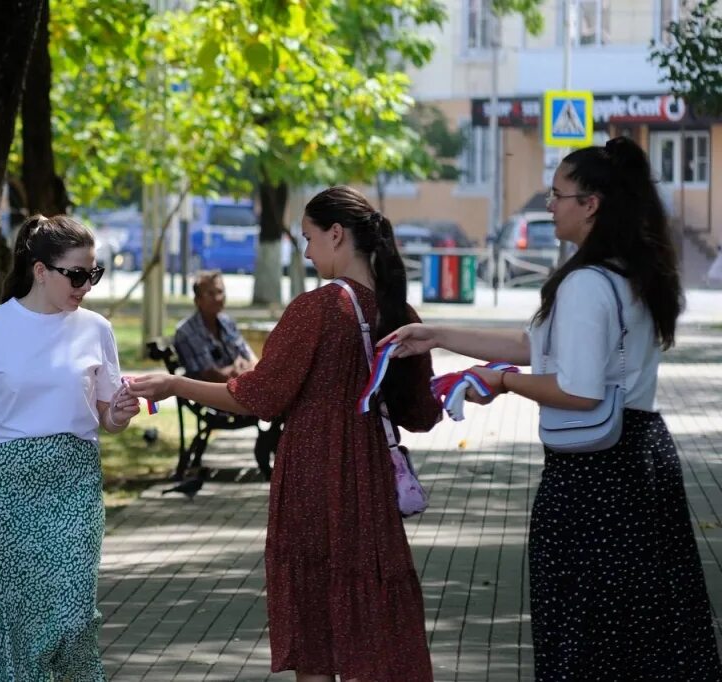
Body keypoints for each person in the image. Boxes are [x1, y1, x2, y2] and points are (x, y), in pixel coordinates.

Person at [385, 137, 722, 680]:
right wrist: (440, 334)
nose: (549, 205)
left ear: (591, 204)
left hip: (597, 478)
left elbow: (579, 390)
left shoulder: (588, 283)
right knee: (648, 637)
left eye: (557, 194)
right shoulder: (628, 272)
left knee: (589, 636)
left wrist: (503, 384)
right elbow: (534, 346)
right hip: (638, 460)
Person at [128, 186, 442, 681]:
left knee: (313, 627)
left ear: (337, 235)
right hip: (373, 487)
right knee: (375, 623)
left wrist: (172, 384)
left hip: (312, 481)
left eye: (310, 238)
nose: (309, 251)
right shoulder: (400, 313)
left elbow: (256, 397)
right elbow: (421, 413)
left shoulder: (316, 309)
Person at [0, 214, 139, 680]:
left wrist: (119, 414)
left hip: (73, 482)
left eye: (93, 274)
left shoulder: (96, 329)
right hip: (3, 486)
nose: (85, 285)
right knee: (13, 621)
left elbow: (106, 416)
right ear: (39, 270)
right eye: (76, 274)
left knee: (74, 619)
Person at [174, 270, 281, 480]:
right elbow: (208, 374)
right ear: (197, 300)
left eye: (221, 292)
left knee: (284, 397)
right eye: (211, 293)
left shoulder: (227, 322)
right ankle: (272, 457)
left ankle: (278, 455)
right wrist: (237, 370)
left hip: (241, 388)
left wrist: (238, 370)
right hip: (212, 396)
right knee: (278, 403)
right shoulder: (186, 332)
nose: (219, 298)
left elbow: (252, 361)